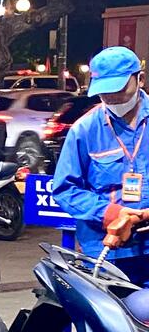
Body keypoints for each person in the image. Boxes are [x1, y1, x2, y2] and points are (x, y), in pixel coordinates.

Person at [53, 46, 149, 284]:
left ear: (140, 79)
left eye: (119, 89)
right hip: (105, 252)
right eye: (104, 92)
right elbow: (65, 189)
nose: (112, 97)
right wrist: (110, 214)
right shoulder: (84, 130)